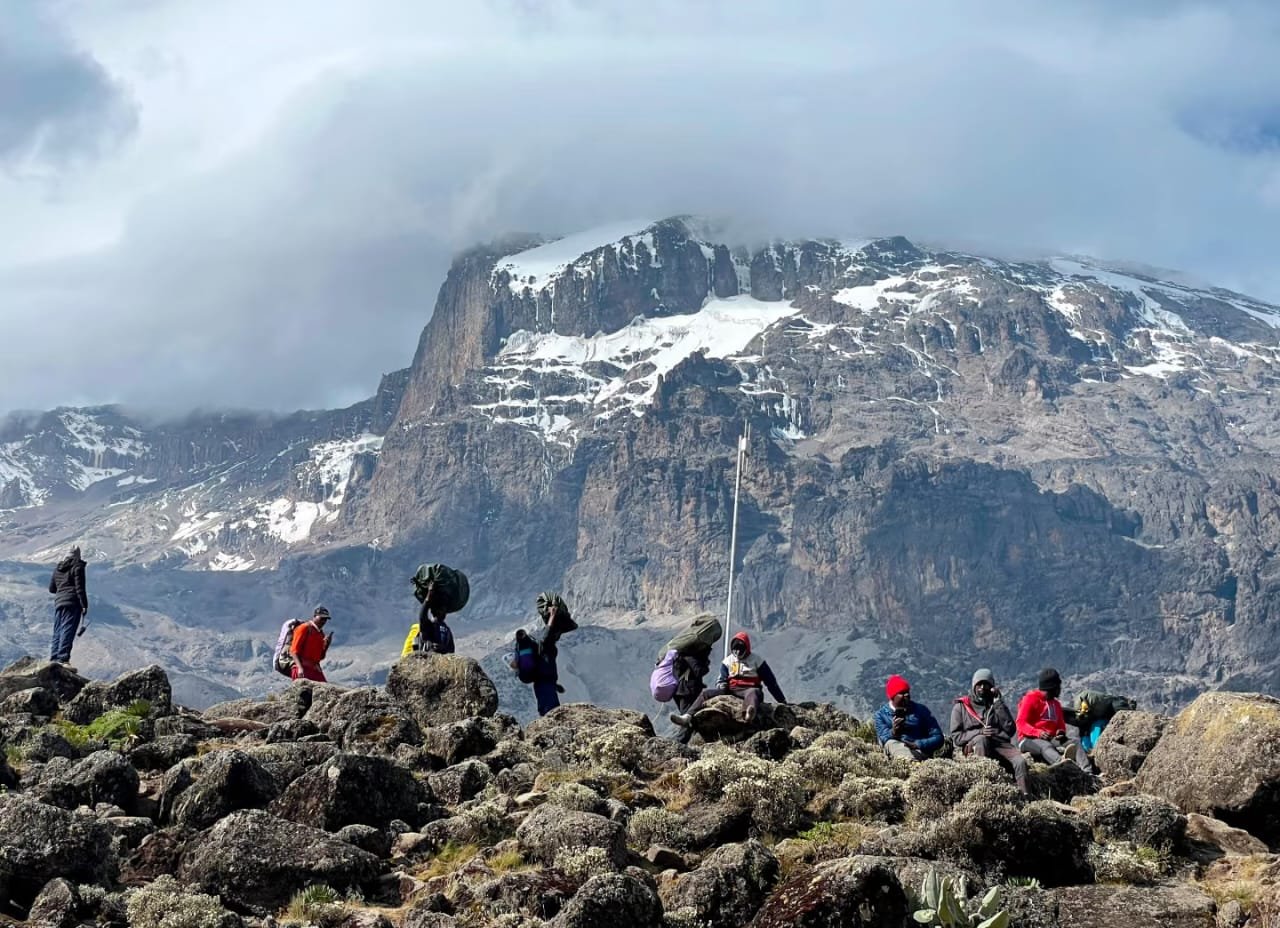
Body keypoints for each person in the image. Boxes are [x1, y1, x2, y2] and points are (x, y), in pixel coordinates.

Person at [671, 631, 786, 727]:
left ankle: (748, 714)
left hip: (749, 688)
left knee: (754, 692)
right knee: (705, 693)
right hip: (731, 688)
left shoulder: (757, 661)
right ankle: (687, 716)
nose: (738, 653)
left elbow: (771, 683)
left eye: (741, 650)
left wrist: (782, 701)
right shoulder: (728, 661)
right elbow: (721, 678)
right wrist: (721, 685)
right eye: (735, 650)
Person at [948, 668, 1029, 793]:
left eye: (986, 684)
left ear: (992, 687)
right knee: (982, 740)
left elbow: (1010, 729)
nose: (982, 687)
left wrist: (999, 704)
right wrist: (979, 732)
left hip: (999, 744)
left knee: (1020, 762)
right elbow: (957, 738)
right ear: (974, 686)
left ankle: (1025, 795)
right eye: (979, 684)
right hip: (975, 746)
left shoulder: (996, 705)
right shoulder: (961, 707)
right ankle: (982, 789)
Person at [1016, 668, 1096, 774]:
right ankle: (1067, 768)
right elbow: (1020, 723)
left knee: (1074, 742)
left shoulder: (1056, 704)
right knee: (1045, 746)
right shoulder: (1030, 699)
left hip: (1050, 738)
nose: (1060, 689)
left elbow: (1060, 725)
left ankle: (1088, 772)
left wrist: (1061, 732)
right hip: (1027, 739)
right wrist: (1038, 733)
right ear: (1052, 687)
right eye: (1058, 686)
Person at [660, 614, 723, 743]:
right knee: (689, 719)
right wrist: (704, 663)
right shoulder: (691, 656)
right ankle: (677, 745)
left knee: (691, 718)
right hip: (687, 690)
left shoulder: (683, 653)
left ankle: (686, 743)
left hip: (680, 690)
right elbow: (699, 670)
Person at [874, 675, 944, 761]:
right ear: (893, 697)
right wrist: (893, 732)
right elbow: (883, 737)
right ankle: (909, 762)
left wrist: (918, 744)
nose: (906, 695)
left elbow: (938, 737)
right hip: (895, 750)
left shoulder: (921, 710)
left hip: (919, 752)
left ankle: (911, 763)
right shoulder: (881, 715)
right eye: (902, 693)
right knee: (890, 743)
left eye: (907, 692)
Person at [48, 545, 89, 666]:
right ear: (78, 555)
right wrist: (84, 605)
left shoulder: (58, 569)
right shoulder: (78, 567)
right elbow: (80, 587)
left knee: (58, 630)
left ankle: (54, 658)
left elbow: (51, 588)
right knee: (68, 629)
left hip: (59, 602)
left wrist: (62, 590)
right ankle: (63, 659)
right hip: (72, 602)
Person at [290, 606, 333, 682]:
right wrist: (300, 668)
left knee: (324, 691)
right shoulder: (304, 628)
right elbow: (293, 651)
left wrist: (326, 645)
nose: (323, 621)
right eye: (321, 618)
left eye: (325, 619)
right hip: (302, 668)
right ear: (314, 617)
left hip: (314, 669)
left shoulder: (321, 634)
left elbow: (319, 657)